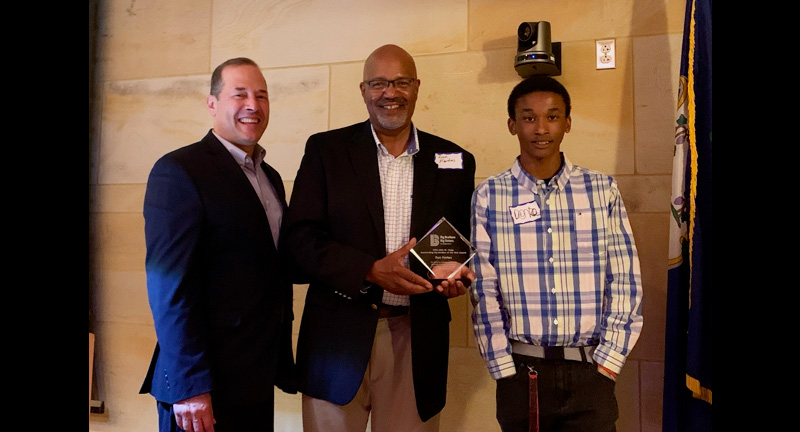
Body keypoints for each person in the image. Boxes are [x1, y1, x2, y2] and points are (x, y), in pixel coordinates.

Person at [282, 44, 476, 432]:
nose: (390, 92)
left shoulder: (455, 161)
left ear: (417, 87)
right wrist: (369, 270)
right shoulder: (325, 151)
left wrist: (456, 281)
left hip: (416, 339)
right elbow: (297, 244)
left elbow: (459, 247)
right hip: (336, 341)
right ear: (363, 89)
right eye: (379, 83)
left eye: (401, 82)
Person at [470, 75, 643, 432]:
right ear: (512, 124)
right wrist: (502, 365)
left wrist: (609, 362)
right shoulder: (490, 195)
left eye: (552, 116)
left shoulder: (601, 189)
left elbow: (625, 278)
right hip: (522, 373)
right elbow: (483, 286)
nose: (541, 128)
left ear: (568, 122)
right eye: (529, 117)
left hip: (591, 370)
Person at [139, 57, 296, 432]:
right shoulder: (179, 170)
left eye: (262, 96)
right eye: (239, 94)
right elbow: (169, 288)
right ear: (212, 104)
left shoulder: (269, 176)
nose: (253, 106)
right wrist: (190, 385)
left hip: (256, 374)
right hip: (203, 385)